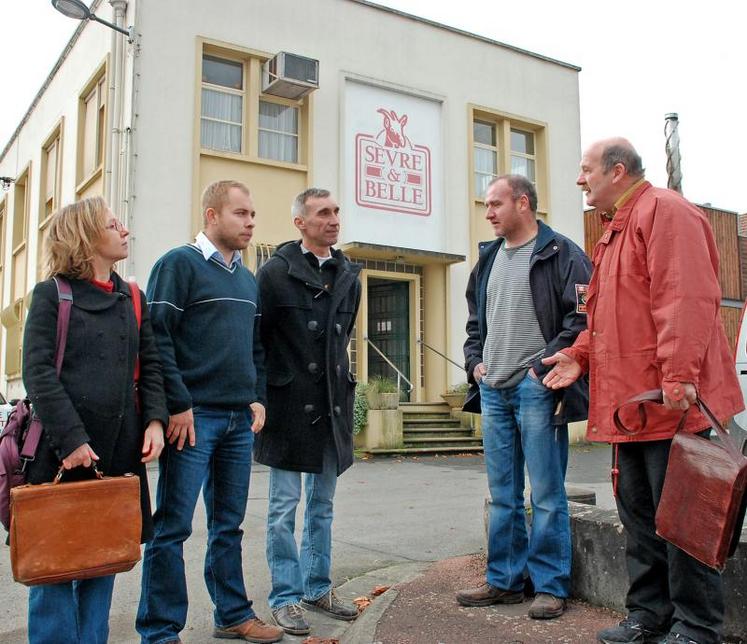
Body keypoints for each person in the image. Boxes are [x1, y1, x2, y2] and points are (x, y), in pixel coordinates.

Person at [542, 138, 744, 644]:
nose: (579, 179)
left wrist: (679, 377)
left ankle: (696, 628)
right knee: (640, 519)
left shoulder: (664, 212)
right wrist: (579, 355)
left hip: (670, 405)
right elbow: (607, 316)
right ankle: (649, 615)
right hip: (633, 407)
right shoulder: (616, 228)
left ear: (616, 170)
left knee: (684, 523)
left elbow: (686, 298)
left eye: (585, 170)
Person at [136, 180, 282, 644]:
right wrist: (177, 405)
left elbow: (256, 346)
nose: (251, 222)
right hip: (194, 419)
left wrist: (256, 395)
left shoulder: (246, 278)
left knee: (228, 525)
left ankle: (232, 615)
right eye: (241, 214)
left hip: (239, 421)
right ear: (211, 216)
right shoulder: (178, 265)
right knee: (172, 527)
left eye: (252, 214)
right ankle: (160, 631)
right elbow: (157, 339)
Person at [22, 196, 168, 644]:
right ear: (86, 237)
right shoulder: (52, 295)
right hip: (61, 456)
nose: (124, 230)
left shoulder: (131, 296)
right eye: (113, 224)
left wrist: (156, 421)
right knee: (53, 569)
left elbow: (153, 365)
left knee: (101, 563)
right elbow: (38, 372)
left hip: (117, 454)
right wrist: (71, 440)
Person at [457, 174, 591, 619]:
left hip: (538, 389)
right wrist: (475, 362)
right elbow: (476, 321)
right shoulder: (489, 258)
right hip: (493, 390)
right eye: (486, 206)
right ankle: (505, 581)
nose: (489, 212)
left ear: (523, 202)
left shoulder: (562, 253)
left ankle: (551, 586)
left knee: (548, 492)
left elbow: (582, 319)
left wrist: (539, 369)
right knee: (502, 494)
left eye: (496, 204)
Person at [253, 188, 362, 636]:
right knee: (283, 509)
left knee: (322, 507)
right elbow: (258, 343)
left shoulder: (348, 272)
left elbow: (341, 343)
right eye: (322, 213)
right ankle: (285, 595)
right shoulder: (274, 273)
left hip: (332, 409)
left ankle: (318, 587)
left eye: (335, 211)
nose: (333, 219)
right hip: (286, 409)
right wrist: (257, 396)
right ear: (300, 222)